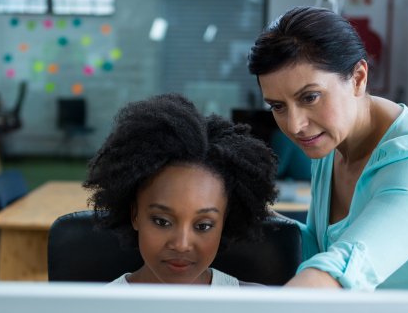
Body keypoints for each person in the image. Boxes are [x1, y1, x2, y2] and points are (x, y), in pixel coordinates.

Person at [248, 6, 408, 291]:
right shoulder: (331, 148)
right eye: (278, 106)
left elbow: (346, 268)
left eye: (310, 97)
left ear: (358, 78)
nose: (295, 124)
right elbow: (319, 248)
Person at [83, 93, 278, 286]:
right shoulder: (91, 312)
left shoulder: (257, 307)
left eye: (203, 226)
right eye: (162, 221)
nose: (181, 244)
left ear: (225, 222)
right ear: (135, 214)